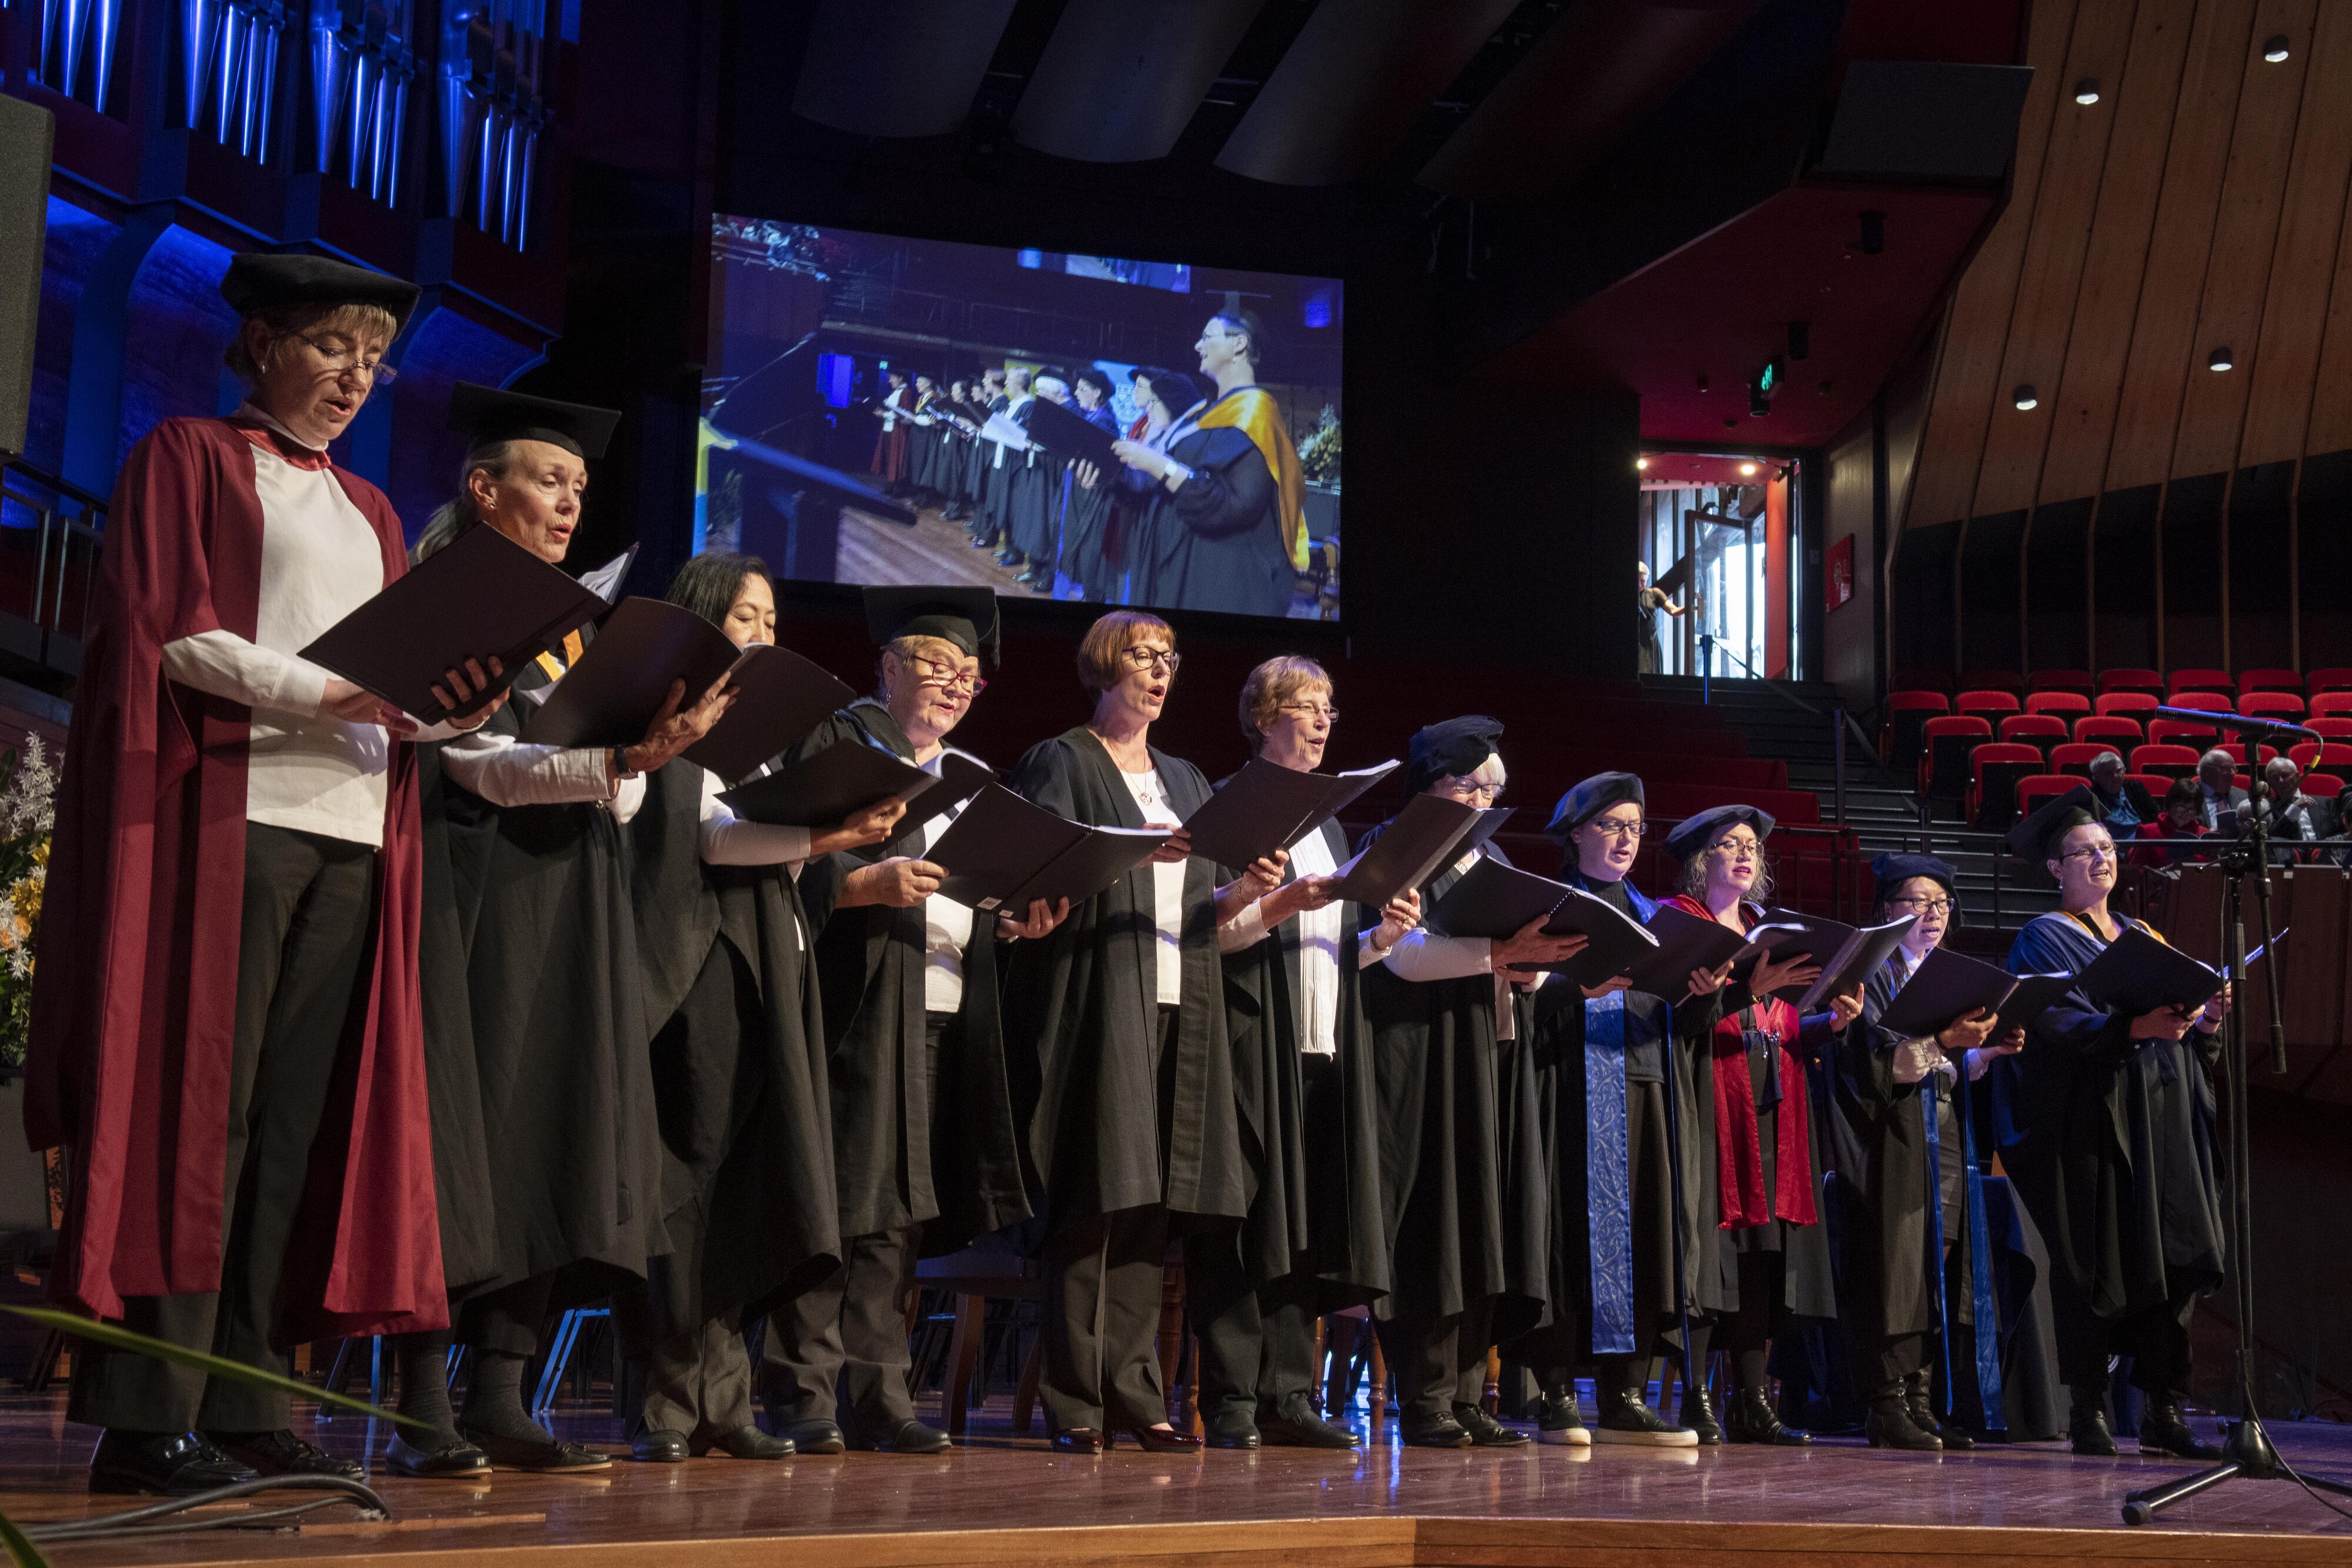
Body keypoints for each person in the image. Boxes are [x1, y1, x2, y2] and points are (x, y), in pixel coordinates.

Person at [28, 253, 491, 1496]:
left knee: (292, 1128)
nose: (355, 374)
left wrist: (444, 708)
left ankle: (245, 1397)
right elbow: (165, 627)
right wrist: (334, 687)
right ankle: (146, 1411)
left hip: (351, 830)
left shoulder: (375, 512)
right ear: (266, 343)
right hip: (233, 819)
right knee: (202, 1117)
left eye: (374, 355)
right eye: (332, 346)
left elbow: (394, 693)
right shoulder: (186, 456)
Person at [428, 384, 738, 1472]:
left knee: (553, 1131)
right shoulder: (450, 599)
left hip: (573, 901)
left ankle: (500, 1389)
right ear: (484, 488)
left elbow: (619, 799)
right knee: (463, 1139)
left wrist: (645, 755)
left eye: (579, 490)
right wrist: (614, 762)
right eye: (549, 481)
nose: (568, 505)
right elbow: (468, 762)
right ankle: (427, 1394)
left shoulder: (565, 630)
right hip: (477, 901)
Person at [618, 553, 906, 1464]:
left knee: (745, 1187)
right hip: (697, 968)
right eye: (748, 616)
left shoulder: (772, 733)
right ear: (705, 620)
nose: (765, 633)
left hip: (771, 973)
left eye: (774, 619)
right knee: (684, 1192)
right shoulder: (670, 717)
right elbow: (707, 836)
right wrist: (826, 836)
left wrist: (822, 838)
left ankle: (724, 1399)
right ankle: (666, 1406)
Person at [767, 588, 1063, 1454]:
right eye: (935, 666)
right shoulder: (839, 738)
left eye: (968, 675)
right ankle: (803, 1393)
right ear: (887, 666)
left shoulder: (965, 775)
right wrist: (865, 883)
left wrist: (1012, 923)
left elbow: (974, 891)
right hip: (854, 997)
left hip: (937, 1007)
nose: (953, 684)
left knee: (894, 1217)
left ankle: (881, 1393)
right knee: (836, 1207)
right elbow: (786, 859)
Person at [1001, 612, 1249, 1453]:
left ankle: (1136, 1395)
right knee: (1092, 1199)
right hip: (1097, 996)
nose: (1159, 670)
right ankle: (1073, 1399)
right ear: (1106, 662)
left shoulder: (1185, 775)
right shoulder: (1062, 759)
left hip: (1180, 1000)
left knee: (1148, 1204)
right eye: (1144, 655)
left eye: (1169, 658)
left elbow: (1206, 900)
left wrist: (1250, 884)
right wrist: (1130, 857)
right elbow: (1039, 873)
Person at [1195, 657, 1414, 1450]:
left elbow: (1326, 947)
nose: (1323, 723)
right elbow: (1209, 936)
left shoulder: (1328, 824)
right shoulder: (1231, 806)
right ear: (1263, 716)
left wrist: (1379, 940)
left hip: (1320, 1043)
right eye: (1306, 708)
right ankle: (1228, 1397)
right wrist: (1276, 902)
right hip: (1252, 1043)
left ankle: (1287, 1392)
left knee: (1301, 1226)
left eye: (1328, 709)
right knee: (1243, 1224)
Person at [1358, 718, 1584, 1449]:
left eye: (1494, 790)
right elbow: (1403, 959)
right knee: (1436, 1227)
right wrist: (1497, 951)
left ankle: (1466, 1392)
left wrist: (1539, 960)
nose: (1484, 800)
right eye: (1471, 785)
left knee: (1486, 1224)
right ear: (1431, 785)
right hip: (1427, 1060)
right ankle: (1426, 1396)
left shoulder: (1484, 853)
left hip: (1491, 1057)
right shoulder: (1399, 846)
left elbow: (1518, 958)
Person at [1994, 786, 2230, 1459]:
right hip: (2096, 1127)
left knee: (2173, 1256)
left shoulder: (2143, 934)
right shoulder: (2041, 936)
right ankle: (2089, 1406)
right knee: (2096, 1262)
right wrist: (2133, 1025)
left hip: (2162, 1123)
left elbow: (2179, 1029)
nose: (2099, 860)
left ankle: (2162, 1406)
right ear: (2054, 867)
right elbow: (2056, 1022)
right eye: (2083, 851)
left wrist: (2203, 1017)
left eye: (2106, 848)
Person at [1512, 773, 1729, 1447]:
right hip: (1564, 1087)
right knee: (1562, 1236)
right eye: (1611, 825)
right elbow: (1522, 1004)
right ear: (1574, 832)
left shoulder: (1655, 915)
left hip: (1642, 1090)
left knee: (1645, 1235)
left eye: (1635, 827)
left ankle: (1625, 1391)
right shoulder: (1549, 908)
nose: (1626, 839)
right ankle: (1554, 1391)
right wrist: (1577, 987)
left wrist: (1702, 992)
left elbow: (1681, 1025)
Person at [1661, 806, 1859, 1446]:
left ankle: (1750, 1396)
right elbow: (1678, 1017)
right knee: (1706, 1249)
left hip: (1772, 1104)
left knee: (1757, 1257)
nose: (1746, 853)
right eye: (1730, 844)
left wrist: (1832, 1019)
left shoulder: (1761, 926)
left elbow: (1785, 1019)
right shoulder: (1682, 922)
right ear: (1701, 858)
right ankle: (1696, 1394)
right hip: (1707, 1099)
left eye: (1753, 845)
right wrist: (1749, 987)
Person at [1839, 855, 2023, 1452]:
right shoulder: (1873, 973)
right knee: (1894, 1266)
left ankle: (1920, 1397)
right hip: (1887, 1141)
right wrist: (1945, 1040)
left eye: (1941, 902)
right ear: (1886, 910)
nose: (1932, 913)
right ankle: (1886, 1400)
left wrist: (1982, 1054)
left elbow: (1941, 1069)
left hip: (1941, 1133)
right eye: (1917, 902)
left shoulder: (1945, 977)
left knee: (1932, 1264)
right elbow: (1876, 1067)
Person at [1110, 310, 1305, 618]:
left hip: (1218, 581)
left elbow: (1233, 506)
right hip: (1177, 571)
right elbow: (1159, 483)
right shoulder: (1202, 412)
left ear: (1239, 344)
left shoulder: (1255, 415)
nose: (1197, 346)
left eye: (1207, 337)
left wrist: (1161, 466)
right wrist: (1110, 477)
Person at [1116, 368, 1203, 606]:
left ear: (1172, 403)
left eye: (1154, 402)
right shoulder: (1171, 437)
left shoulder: (1187, 442)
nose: (1149, 408)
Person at [1059, 369, 1125, 602]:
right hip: (1086, 494)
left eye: (1082, 389)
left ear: (1097, 393)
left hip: (1095, 498)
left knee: (1091, 550)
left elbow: (1102, 462)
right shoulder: (1096, 416)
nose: (1076, 393)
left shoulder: (1104, 421)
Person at [1006, 369, 1067, 590]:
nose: (1038, 394)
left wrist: (1039, 445)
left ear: (1056, 391)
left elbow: (1062, 446)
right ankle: (1034, 567)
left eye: (1042, 390)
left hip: (1053, 475)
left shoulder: (1069, 411)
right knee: (1035, 520)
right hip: (1038, 468)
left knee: (1047, 525)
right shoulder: (1047, 409)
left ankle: (1046, 574)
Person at [2258, 755, 2340, 863]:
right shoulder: (2267, 807)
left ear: (2297, 776)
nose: (2281, 781)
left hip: (2326, 860)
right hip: (2290, 861)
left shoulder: (2325, 803)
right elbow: (2273, 837)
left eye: (2285, 776)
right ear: (2269, 783)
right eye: (2275, 778)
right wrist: (2294, 810)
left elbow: (2339, 832)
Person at [2131, 779, 2214, 870]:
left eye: (2191, 809)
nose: (2185, 813)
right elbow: (2136, 870)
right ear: (2170, 805)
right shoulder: (2147, 831)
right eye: (2180, 806)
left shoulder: (2204, 834)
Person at [2086, 750, 2156, 833]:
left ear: (2125, 770)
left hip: (2142, 839)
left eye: (2119, 771)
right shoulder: (2091, 797)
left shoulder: (2135, 787)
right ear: (2096, 777)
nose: (2115, 776)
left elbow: (2155, 815)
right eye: (2108, 774)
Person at [1636, 562, 1684, 676]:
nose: (1639, 584)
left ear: (1647, 580)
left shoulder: (1654, 594)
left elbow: (1674, 611)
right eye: (1637, 579)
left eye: (1642, 581)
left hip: (1651, 644)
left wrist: (1690, 608)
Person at [870, 367, 912, 491]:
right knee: (889, 456)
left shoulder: (905, 392)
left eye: (893, 378)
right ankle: (890, 483)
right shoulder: (895, 392)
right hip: (889, 428)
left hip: (897, 429)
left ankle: (897, 486)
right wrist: (883, 412)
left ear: (900, 378)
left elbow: (903, 412)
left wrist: (885, 415)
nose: (890, 381)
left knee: (895, 456)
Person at [2195, 748, 2247, 832]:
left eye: (2234, 769)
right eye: (2225, 768)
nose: (2232, 773)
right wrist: (2206, 834)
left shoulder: (2244, 797)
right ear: (2206, 771)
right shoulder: (2186, 796)